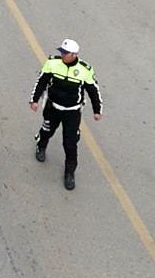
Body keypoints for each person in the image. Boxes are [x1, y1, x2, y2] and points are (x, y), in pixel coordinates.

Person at [31, 38, 102, 190]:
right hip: (53, 108)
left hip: (72, 113)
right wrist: (34, 100)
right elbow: (41, 81)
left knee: (70, 143)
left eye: (65, 53)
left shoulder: (85, 70)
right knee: (46, 131)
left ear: (74, 55)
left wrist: (97, 110)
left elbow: (93, 91)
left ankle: (69, 173)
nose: (62, 55)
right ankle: (41, 146)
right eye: (61, 52)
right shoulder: (52, 63)